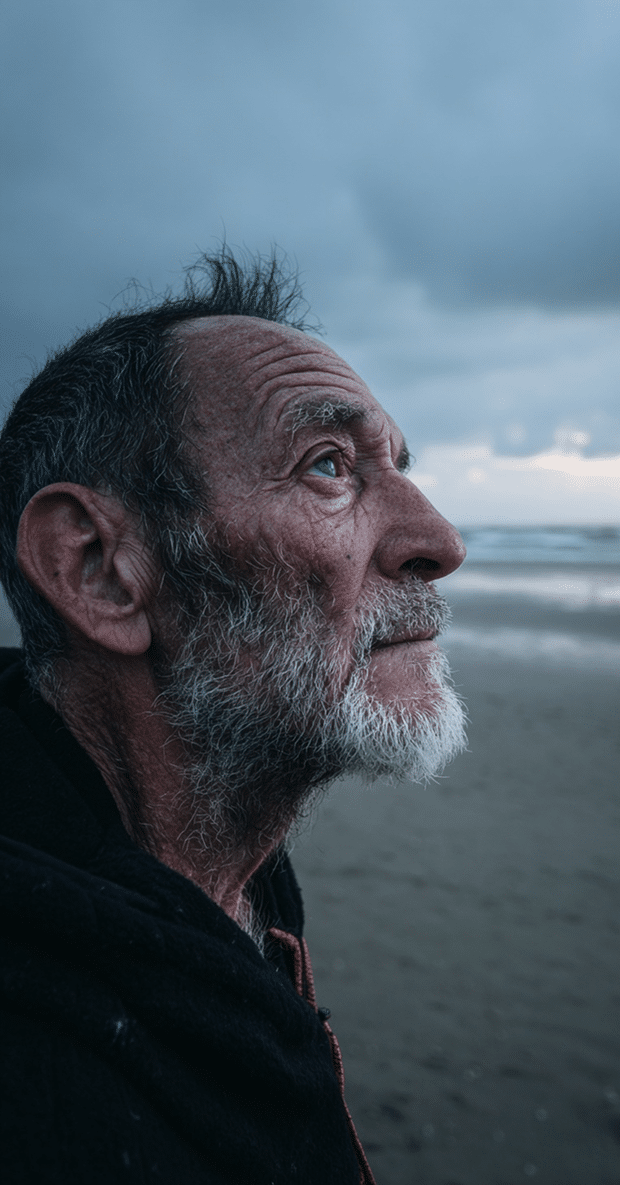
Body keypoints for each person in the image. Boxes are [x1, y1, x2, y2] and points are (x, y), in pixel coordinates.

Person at [0, 249, 467, 1184]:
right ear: (101, 569)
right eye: (329, 467)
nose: (438, 543)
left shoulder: (218, 834)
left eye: (402, 468)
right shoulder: (45, 1103)